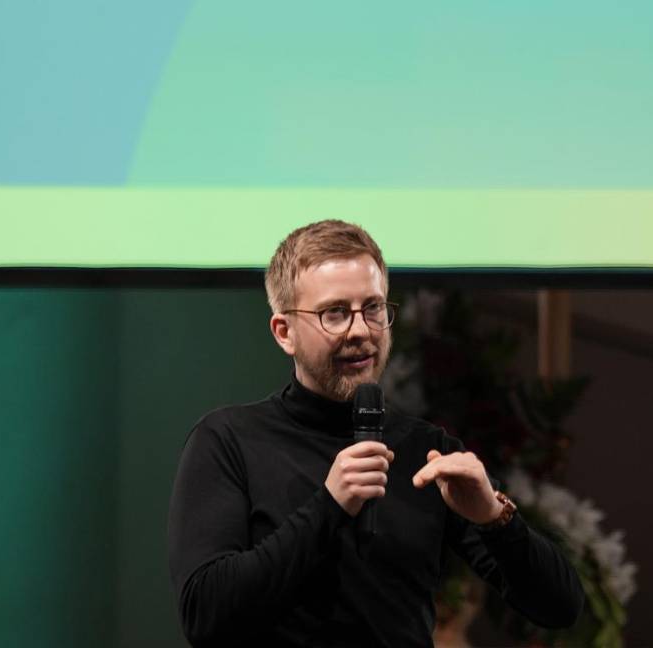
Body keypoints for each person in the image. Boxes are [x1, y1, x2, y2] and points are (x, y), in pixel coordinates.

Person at [167, 220, 584, 646]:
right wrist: (329, 506)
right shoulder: (229, 440)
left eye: (374, 308)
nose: (361, 331)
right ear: (284, 332)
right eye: (335, 313)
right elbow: (205, 615)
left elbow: (561, 606)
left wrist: (495, 519)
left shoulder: (428, 453)